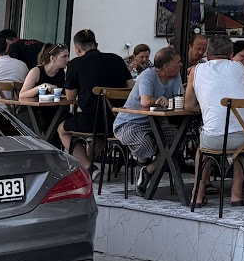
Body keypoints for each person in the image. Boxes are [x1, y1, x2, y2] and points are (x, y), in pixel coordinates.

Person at [186, 33, 244, 205]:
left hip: (216, 140)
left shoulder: (197, 70)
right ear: (230, 55)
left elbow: (188, 105)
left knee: (203, 150)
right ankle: (236, 195)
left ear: (207, 54)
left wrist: (209, 107)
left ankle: (197, 196)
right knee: (241, 144)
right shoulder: (243, 68)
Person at [59, 30, 131, 170]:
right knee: (101, 134)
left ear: (77, 49)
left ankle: (87, 166)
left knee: (62, 129)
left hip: (91, 120)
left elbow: (70, 97)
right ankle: (88, 167)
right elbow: (131, 88)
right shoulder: (116, 59)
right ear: (96, 45)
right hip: (117, 120)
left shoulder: (75, 64)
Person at [115, 46, 182, 178]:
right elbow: (145, 101)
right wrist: (161, 101)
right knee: (145, 144)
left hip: (157, 122)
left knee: (176, 141)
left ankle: (148, 171)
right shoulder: (148, 75)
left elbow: (180, 98)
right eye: (178, 62)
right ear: (166, 66)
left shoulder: (175, 76)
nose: (181, 64)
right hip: (130, 122)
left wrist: (169, 102)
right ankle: (141, 163)